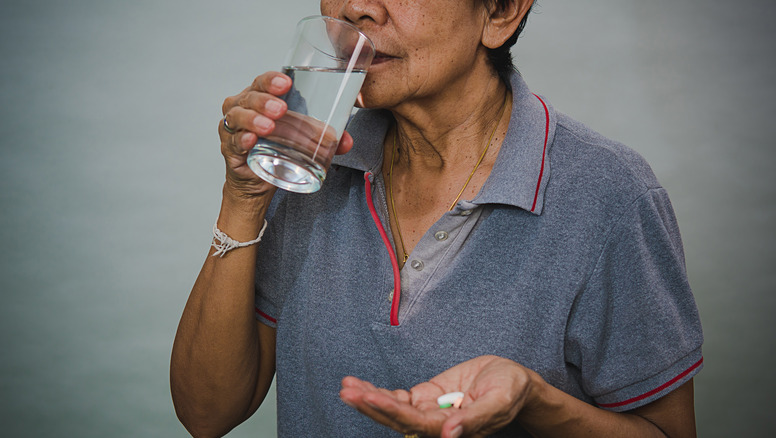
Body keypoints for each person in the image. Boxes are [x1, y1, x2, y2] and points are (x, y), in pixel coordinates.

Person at [170, 0, 704, 436]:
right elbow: (207, 415)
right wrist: (243, 197)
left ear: (499, 14)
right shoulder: (317, 159)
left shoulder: (608, 193)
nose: (356, 9)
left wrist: (533, 400)